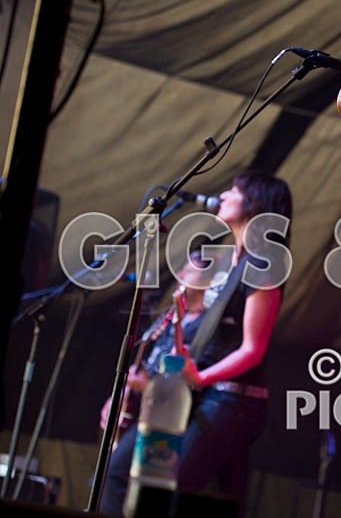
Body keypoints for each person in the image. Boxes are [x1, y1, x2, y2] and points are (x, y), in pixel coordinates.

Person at [100, 169, 292, 517]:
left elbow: (253, 349)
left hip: (234, 400)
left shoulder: (264, 265)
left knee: (164, 488)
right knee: (129, 476)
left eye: (234, 191)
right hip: (209, 396)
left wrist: (201, 378)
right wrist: (179, 324)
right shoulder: (233, 261)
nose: (224, 196)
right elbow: (206, 342)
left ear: (254, 203)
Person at [98, 251, 210, 515]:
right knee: (110, 474)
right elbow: (148, 366)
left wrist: (147, 387)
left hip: (170, 420)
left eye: (190, 270)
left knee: (122, 476)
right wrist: (120, 395)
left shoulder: (204, 325)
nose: (182, 275)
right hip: (145, 412)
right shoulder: (169, 320)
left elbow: (188, 382)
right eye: (183, 269)